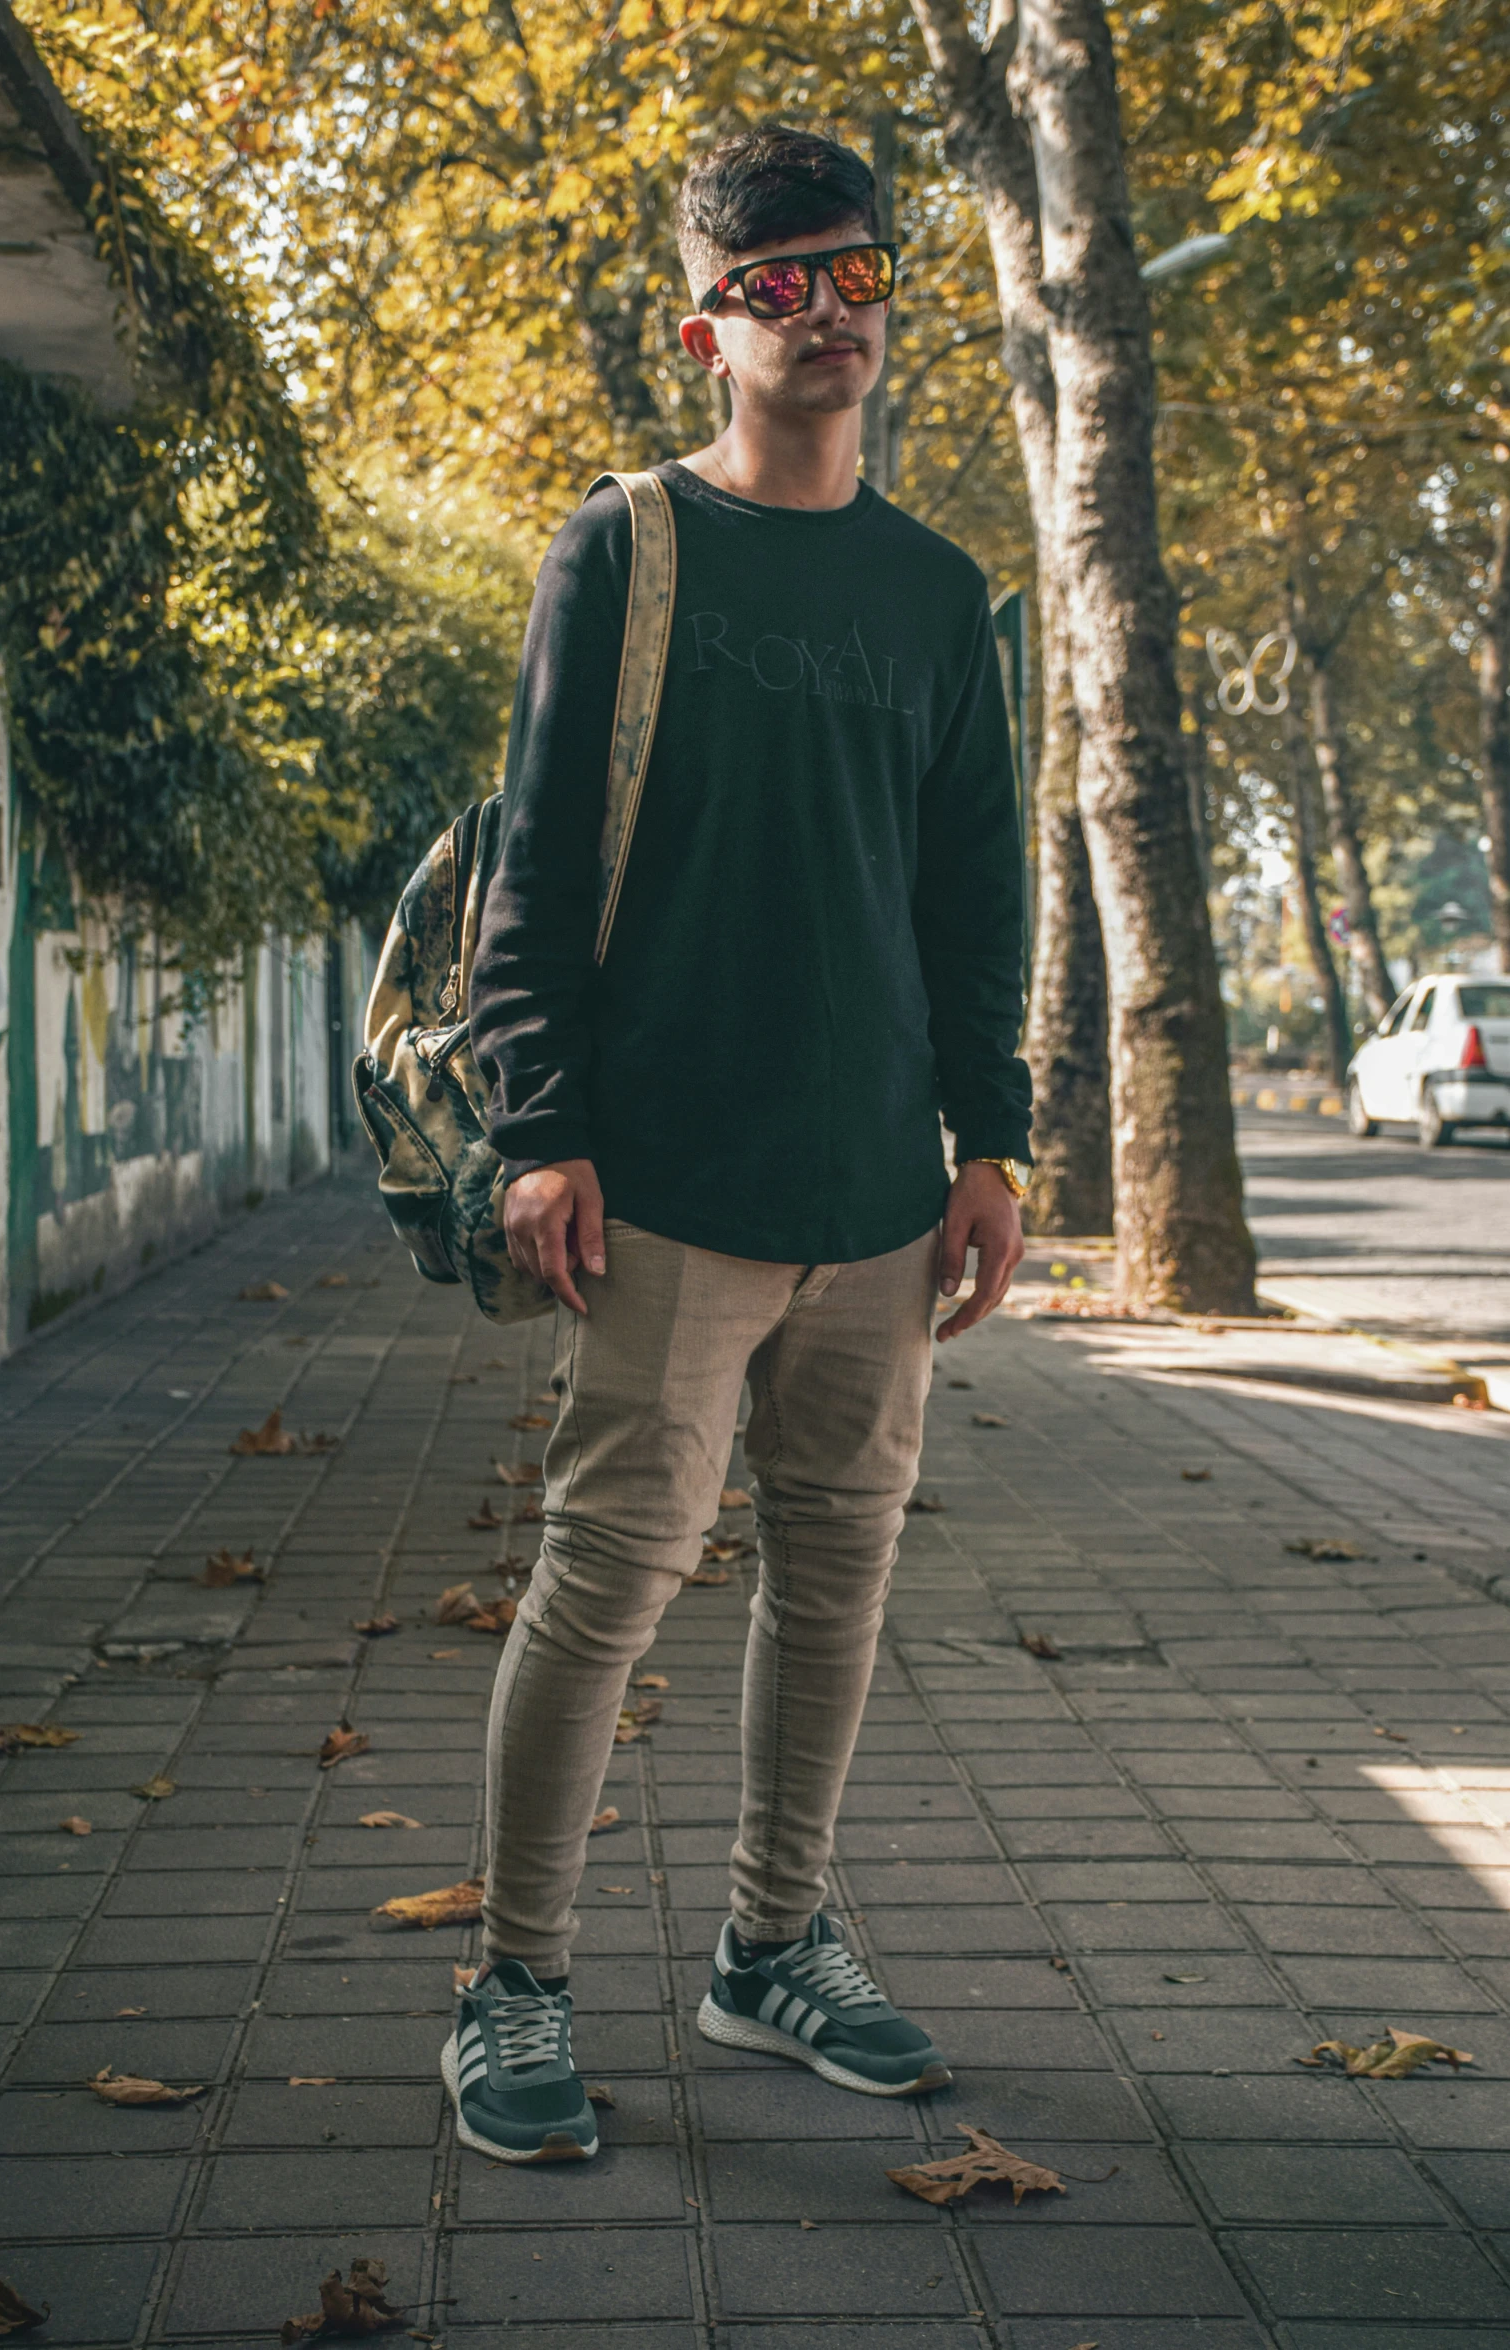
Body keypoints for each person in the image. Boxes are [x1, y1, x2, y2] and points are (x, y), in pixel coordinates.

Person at [444, 122, 1032, 2164]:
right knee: (607, 1577)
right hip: (663, 1184)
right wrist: (540, 1131)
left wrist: (999, 1141)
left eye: (859, 276)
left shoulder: (945, 593)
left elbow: (977, 893)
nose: (828, 315)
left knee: (838, 1574)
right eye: (779, 284)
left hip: (879, 1189)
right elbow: (529, 872)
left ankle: (772, 1944)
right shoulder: (623, 547)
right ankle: (515, 1979)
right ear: (708, 320)